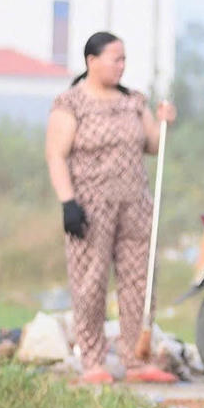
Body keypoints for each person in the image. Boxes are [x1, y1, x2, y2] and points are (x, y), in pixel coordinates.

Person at [44, 31, 178, 385]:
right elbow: (56, 155)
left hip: (135, 203)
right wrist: (67, 202)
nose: (121, 65)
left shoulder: (133, 101)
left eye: (124, 59)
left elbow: (152, 145)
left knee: (139, 280)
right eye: (114, 59)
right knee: (90, 282)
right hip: (90, 204)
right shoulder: (71, 103)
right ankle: (92, 360)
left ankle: (135, 358)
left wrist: (164, 122)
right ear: (92, 61)